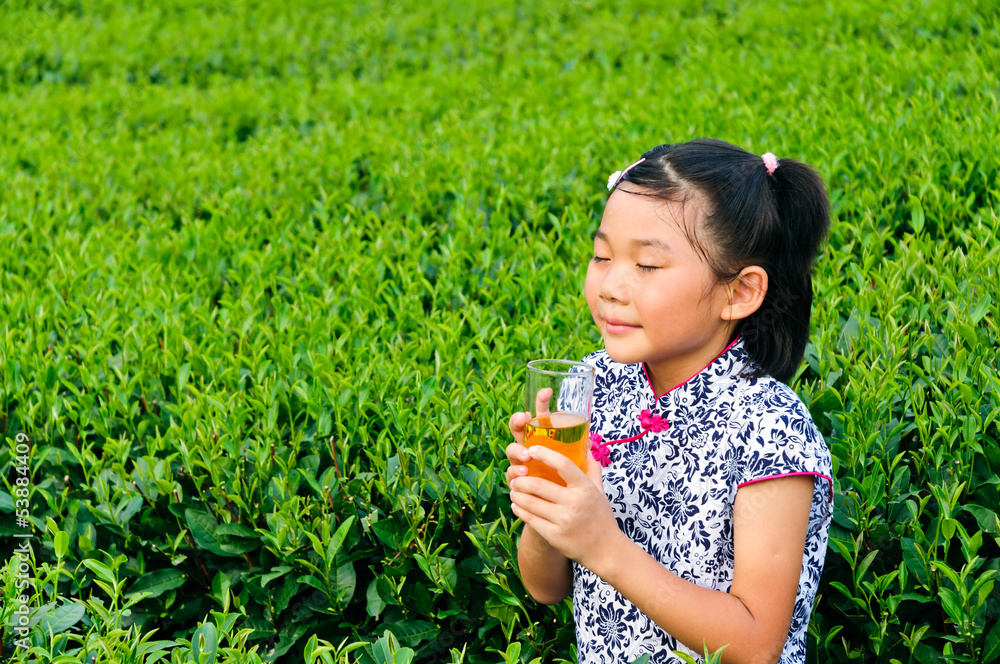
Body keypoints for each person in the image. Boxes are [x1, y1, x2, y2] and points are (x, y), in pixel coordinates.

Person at [504, 139, 834, 664]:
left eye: (648, 266)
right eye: (602, 255)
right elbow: (546, 587)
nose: (611, 285)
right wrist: (546, 508)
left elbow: (755, 646)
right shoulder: (592, 382)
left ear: (740, 293)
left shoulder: (770, 429)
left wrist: (603, 547)